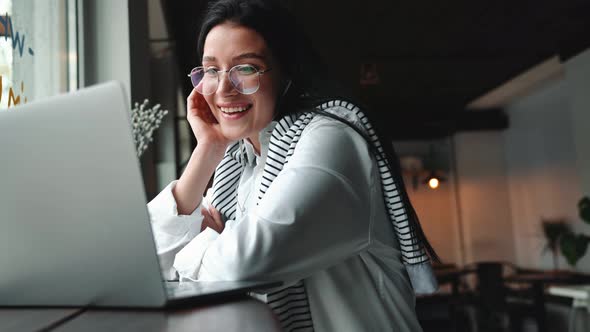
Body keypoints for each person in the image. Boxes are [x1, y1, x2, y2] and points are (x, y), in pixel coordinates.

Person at [148, 0, 439, 331]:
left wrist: (203, 242)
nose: (224, 89)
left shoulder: (333, 138)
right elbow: (151, 263)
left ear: (286, 72)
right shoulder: (240, 165)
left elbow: (243, 266)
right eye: (211, 70)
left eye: (246, 68)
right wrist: (208, 150)